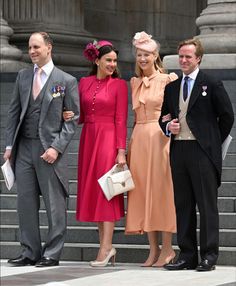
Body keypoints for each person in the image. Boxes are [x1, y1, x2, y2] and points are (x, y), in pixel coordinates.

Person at [3, 32, 80, 267]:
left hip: (49, 149)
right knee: (25, 203)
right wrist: (9, 146)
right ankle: (29, 251)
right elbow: (14, 112)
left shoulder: (65, 80)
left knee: (54, 205)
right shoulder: (23, 77)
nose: (32, 51)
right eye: (29, 47)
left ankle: (52, 253)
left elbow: (72, 119)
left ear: (49, 47)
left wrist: (56, 148)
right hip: (24, 147)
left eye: (36, 46)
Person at [159, 38, 234, 271]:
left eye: (187, 57)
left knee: (206, 205)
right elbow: (163, 118)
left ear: (198, 58)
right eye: (180, 56)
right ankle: (187, 255)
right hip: (178, 150)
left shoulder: (211, 83)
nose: (183, 60)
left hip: (202, 152)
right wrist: (168, 128)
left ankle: (209, 256)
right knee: (183, 205)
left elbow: (227, 117)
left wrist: (210, 142)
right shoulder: (171, 88)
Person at [64, 40, 128, 267]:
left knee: (106, 192)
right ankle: (105, 245)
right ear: (97, 60)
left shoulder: (119, 85)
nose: (112, 64)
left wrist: (121, 151)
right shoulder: (84, 82)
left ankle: (106, 247)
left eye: (115, 61)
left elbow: (121, 119)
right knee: (95, 192)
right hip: (89, 139)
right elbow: (78, 112)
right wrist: (67, 115)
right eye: (108, 60)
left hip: (108, 139)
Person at [125, 31, 177, 267]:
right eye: (139, 54)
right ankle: (153, 249)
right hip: (139, 140)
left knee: (162, 193)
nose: (142, 58)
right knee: (142, 193)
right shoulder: (134, 82)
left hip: (160, 139)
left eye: (146, 54)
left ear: (156, 56)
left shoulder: (168, 80)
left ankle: (168, 248)